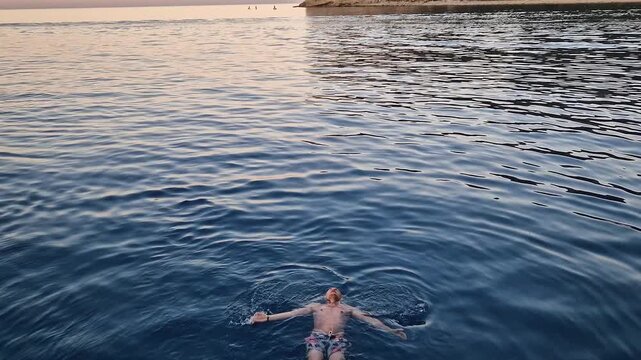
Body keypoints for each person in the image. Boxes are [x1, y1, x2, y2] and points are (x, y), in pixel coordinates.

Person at [251, 287, 407, 360]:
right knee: (314, 357)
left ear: (341, 297)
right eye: (330, 289)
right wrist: (268, 318)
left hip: (338, 338)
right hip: (317, 336)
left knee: (337, 359)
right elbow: (292, 313)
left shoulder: (348, 309)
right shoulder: (316, 307)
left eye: (337, 289)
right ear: (325, 296)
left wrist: (391, 331)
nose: (333, 289)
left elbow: (370, 320)